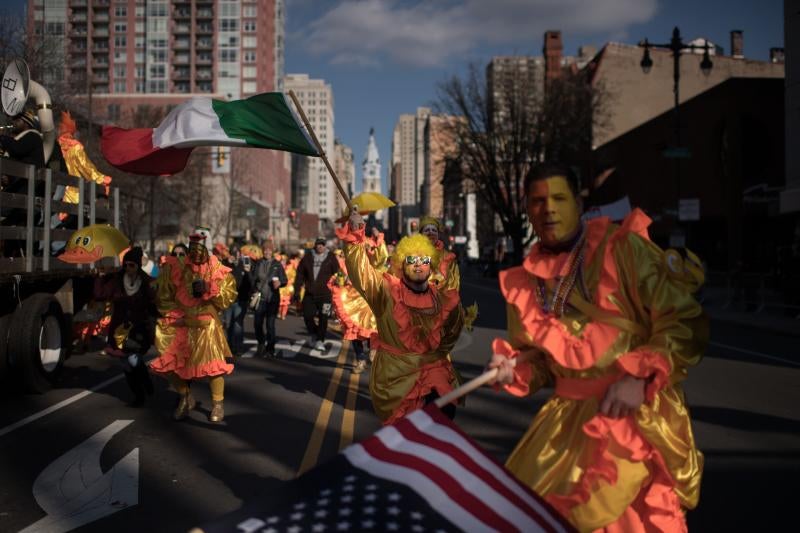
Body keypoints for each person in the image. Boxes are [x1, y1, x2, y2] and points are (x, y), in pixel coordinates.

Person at [486, 163, 707, 532]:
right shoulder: (524, 284)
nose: (549, 209)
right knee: (535, 514)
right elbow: (539, 359)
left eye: (559, 198)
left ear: (578, 202)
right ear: (526, 208)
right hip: (563, 424)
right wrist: (512, 366)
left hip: (628, 415)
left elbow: (681, 320)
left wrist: (639, 379)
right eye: (538, 201)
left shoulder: (623, 250)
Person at [337, 211, 464, 424]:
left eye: (423, 260)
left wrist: (438, 353)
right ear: (402, 264)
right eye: (411, 259)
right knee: (406, 434)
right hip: (396, 379)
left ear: (430, 264)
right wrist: (357, 235)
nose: (417, 264)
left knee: (443, 416)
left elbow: (453, 329)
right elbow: (362, 274)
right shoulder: (386, 291)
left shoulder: (440, 298)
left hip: (432, 369)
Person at [149, 230, 238, 423]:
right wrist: (174, 314)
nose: (196, 253)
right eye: (193, 248)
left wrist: (209, 290)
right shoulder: (178, 267)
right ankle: (185, 397)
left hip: (206, 325)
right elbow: (165, 294)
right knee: (169, 363)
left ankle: (217, 404)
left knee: (212, 366)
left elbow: (227, 298)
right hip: (182, 322)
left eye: (200, 248)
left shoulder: (217, 270)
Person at [92, 247, 156, 407]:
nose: (128, 268)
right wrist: (100, 277)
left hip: (139, 329)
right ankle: (138, 395)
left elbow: (155, 303)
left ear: (138, 266)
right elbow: (99, 295)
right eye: (125, 264)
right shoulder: (116, 280)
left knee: (134, 360)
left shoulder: (146, 282)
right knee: (125, 364)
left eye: (132, 265)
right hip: (119, 329)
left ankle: (146, 381)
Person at [329, 225, 389, 374]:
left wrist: (379, 238)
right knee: (353, 328)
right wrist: (340, 278)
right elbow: (342, 268)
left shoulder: (369, 243)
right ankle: (360, 358)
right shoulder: (347, 247)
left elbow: (381, 258)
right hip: (352, 295)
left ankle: (373, 350)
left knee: (371, 326)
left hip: (369, 293)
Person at [293, 237, 340, 351]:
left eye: (322, 245)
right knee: (307, 316)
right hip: (310, 293)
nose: (320, 246)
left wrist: (337, 285)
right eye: (318, 244)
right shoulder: (307, 257)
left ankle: (320, 340)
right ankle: (314, 334)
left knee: (323, 318)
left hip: (325, 294)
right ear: (315, 245)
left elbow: (338, 273)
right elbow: (300, 275)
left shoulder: (331, 257)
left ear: (325, 246)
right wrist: (297, 291)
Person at [253, 242, 288, 357]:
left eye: (269, 250)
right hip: (260, 298)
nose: (267, 252)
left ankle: (270, 349)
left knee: (270, 325)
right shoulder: (257, 263)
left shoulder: (277, 265)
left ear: (272, 251)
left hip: (272, 299)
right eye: (265, 250)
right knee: (257, 323)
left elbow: (284, 280)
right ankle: (261, 343)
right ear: (262, 251)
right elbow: (252, 279)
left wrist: (280, 283)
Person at [419, 215, 460, 291]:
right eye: (427, 230)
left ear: (438, 235)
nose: (431, 232)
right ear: (421, 234)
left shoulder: (448, 256)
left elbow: (453, 284)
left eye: (434, 230)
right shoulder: (413, 253)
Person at [225, 249, 254, 356]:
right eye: (233, 254)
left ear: (240, 255)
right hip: (228, 299)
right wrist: (228, 263)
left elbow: (251, 283)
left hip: (241, 299)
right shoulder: (226, 264)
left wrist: (248, 271)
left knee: (238, 324)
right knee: (228, 324)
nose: (235, 256)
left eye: (237, 254)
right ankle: (229, 345)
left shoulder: (244, 265)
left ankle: (238, 347)